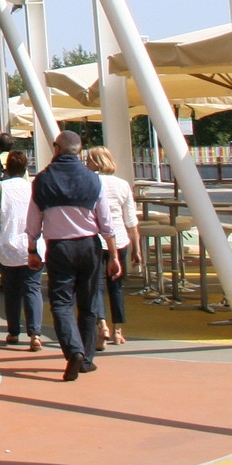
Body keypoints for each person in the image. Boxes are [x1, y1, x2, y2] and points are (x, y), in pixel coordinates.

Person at [26, 130, 122, 382]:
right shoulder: (92, 179)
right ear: (79, 151)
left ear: (57, 148)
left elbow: (33, 219)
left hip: (59, 247)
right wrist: (113, 255)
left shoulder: (43, 180)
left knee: (61, 303)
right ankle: (87, 358)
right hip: (89, 245)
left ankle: (73, 350)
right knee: (89, 302)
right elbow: (106, 221)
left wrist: (32, 249)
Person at [84, 145, 140, 346]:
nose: (86, 163)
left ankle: (102, 325)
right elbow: (131, 219)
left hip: (96, 239)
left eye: (89, 160)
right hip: (120, 239)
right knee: (116, 286)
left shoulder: (90, 182)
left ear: (96, 162)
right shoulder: (122, 185)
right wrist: (137, 246)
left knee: (96, 286)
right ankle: (118, 329)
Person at [0, 150, 44, 351]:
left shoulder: (0, 189)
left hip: (7, 246)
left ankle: (14, 331)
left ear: (7, 168)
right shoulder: (34, 188)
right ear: (25, 169)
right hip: (34, 245)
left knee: (11, 290)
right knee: (32, 288)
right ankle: (35, 333)